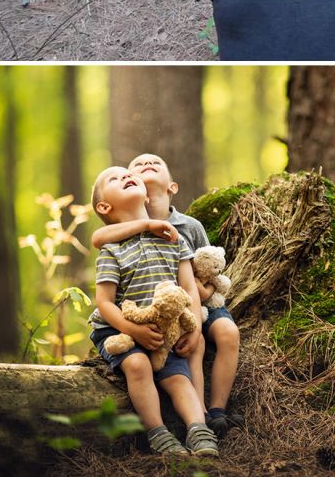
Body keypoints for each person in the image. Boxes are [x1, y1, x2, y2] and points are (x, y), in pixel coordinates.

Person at [91, 153, 242, 439]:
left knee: (222, 334)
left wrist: (198, 312)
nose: (144, 165)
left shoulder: (187, 228)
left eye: (156, 163)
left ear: (172, 187)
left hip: (196, 305)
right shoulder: (121, 237)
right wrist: (146, 225)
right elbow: (99, 240)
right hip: (154, 309)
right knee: (186, 353)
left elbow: (205, 272)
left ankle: (214, 412)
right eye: (135, 166)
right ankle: (197, 417)